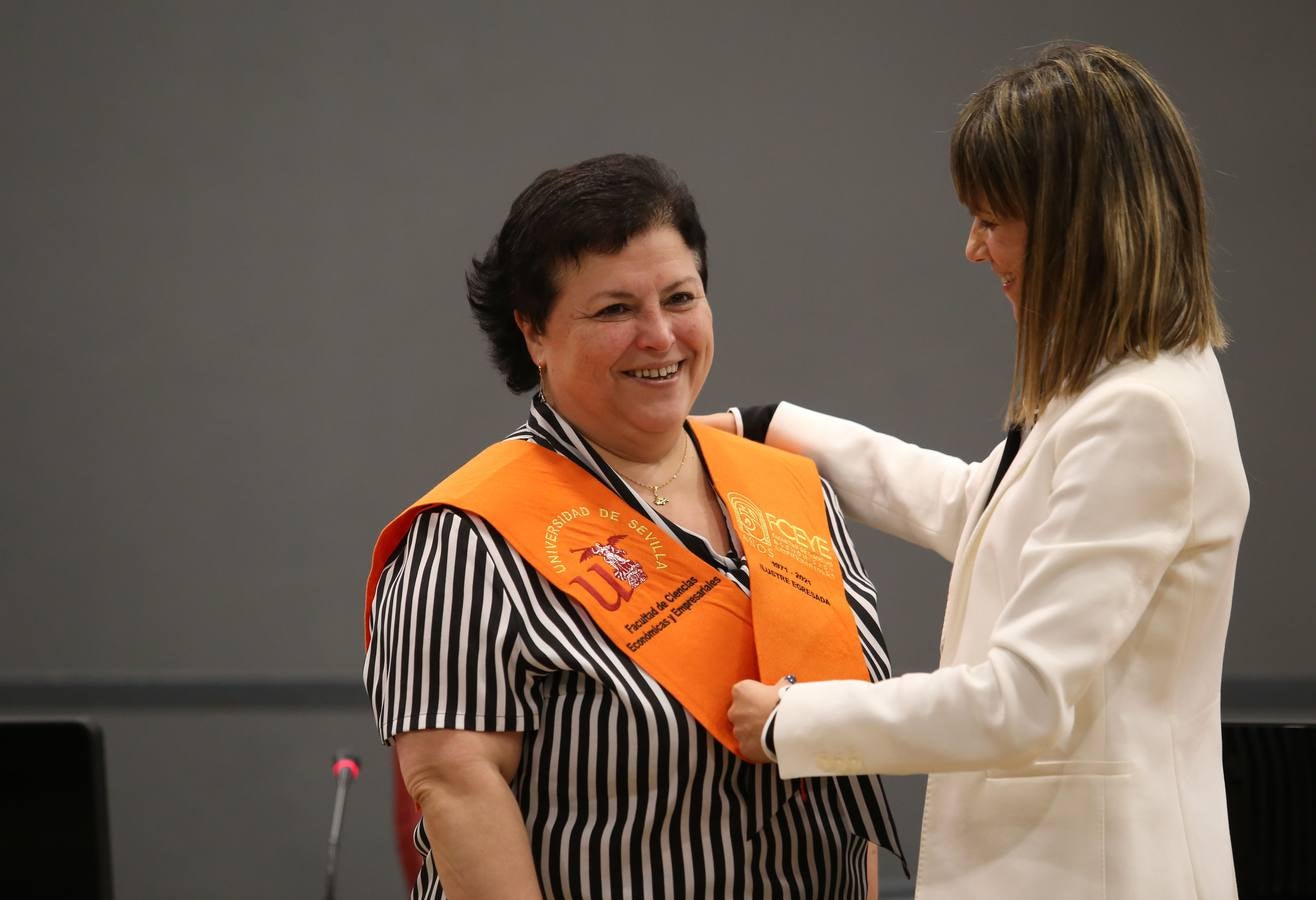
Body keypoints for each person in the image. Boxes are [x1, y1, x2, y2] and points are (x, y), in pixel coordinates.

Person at [721, 44, 1248, 900]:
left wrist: (795, 722)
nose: (974, 250)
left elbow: (1020, 701)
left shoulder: (1138, 410)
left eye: (992, 219)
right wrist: (774, 428)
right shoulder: (1123, 382)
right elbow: (983, 508)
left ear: (1076, 222)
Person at [362, 153, 905, 900]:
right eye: (614, 310)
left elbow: (841, 772)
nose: (659, 336)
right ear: (534, 332)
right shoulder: (469, 536)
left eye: (680, 297)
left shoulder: (786, 487)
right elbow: (455, 786)